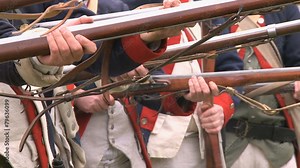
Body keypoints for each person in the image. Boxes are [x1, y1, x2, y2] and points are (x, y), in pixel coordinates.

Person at [75, 0, 243, 168]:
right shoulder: (130, 6)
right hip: (151, 138)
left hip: (198, 136)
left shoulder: (206, 7)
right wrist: (76, 94)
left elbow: (231, 70)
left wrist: (218, 107)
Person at [224, 4, 300, 168]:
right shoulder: (214, 8)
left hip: (279, 145)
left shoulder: (285, 9)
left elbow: (297, 60)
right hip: (229, 142)